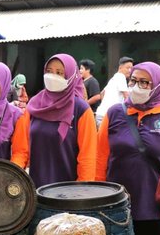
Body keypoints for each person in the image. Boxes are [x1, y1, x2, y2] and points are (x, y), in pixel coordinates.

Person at [96, 62, 160, 235]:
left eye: (144, 82)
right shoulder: (115, 113)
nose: (136, 86)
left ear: (157, 85)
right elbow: (100, 157)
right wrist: (97, 196)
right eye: (133, 81)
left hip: (154, 208)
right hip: (117, 207)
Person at [11, 53, 97, 187]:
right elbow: (22, 150)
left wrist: (82, 193)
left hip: (69, 194)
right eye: (49, 71)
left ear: (70, 76)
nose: (52, 76)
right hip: (36, 190)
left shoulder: (81, 110)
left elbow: (88, 158)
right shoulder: (34, 105)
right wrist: (13, 175)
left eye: (59, 73)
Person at [95, 56, 134, 128]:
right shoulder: (121, 77)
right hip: (108, 117)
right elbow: (126, 96)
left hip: (101, 114)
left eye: (131, 68)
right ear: (120, 68)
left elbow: (102, 93)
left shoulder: (114, 78)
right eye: (127, 68)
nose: (129, 70)